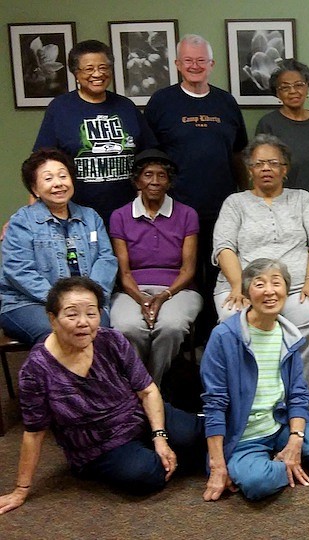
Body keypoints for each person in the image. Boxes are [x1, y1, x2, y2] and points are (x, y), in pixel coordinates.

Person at [0, 277, 205, 514]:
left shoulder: (111, 340)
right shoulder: (35, 370)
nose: (83, 323)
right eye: (71, 315)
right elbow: (34, 434)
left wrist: (159, 436)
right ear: (52, 319)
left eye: (91, 313)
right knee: (146, 475)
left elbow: (147, 390)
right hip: (98, 443)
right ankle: (184, 456)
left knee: (194, 433)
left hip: (136, 414)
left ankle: (177, 447)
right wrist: (21, 489)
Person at [201, 259, 309, 502]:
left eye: (277, 283)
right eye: (260, 284)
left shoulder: (288, 334)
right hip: (244, 436)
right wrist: (218, 466)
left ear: (286, 290)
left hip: (281, 424)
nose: (270, 291)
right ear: (247, 292)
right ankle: (269, 465)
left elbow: (296, 392)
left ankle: (291, 450)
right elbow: (215, 404)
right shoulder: (224, 337)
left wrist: (295, 439)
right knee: (258, 484)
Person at [144, 34, 248, 340]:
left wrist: (245, 197)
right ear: (177, 64)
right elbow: (149, 157)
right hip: (175, 210)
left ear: (212, 64)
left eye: (201, 60)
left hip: (223, 207)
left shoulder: (225, 102)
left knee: (220, 275)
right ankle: (188, 343)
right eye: (188, 60)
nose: (195, 66)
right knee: (184, 276)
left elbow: (238, 153)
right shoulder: (161, 102)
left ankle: (217, 339)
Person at [213, 134, 309, 384]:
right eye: (259, 164)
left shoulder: (302, 199)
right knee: (232, 320)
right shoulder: (235, 203)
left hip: (300, 287)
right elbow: (223, 247)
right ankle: (255, 389)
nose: (266, 168)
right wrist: (240, 286)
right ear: (250, 170)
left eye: (273, 163)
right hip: (246, 288)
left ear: (285, 169)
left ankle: (294, 388)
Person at [33, 39, 157, 224]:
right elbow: (41, 165)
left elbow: (150, 156)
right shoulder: (60, 109)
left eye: (104, 67)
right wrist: (31, 217)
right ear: (76, 72)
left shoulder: (126, 107)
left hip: (128, 217)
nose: (98, 74)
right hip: (75, 217)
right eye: (89, 69)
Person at [0, 149, 117, 344]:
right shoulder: (22, 222)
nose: (58, 183)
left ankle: (93, 376)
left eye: (63, 176)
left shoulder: (91, 217)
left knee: (100, 333)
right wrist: (62, 301)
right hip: (28, 302)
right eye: (48, 178)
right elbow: (18, 269)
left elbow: (106, 260)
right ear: (35, 189)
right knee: (58, 334)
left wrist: (89, 299)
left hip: (87, 302)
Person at [108, 149, 202, 386]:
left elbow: (188, 270)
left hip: (179, 289)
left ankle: (151, 389)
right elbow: (124, 272)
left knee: (171, 327)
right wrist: (141, 299)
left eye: (162, 176)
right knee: (127, 327)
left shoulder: (187, 214)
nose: (155, 181)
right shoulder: (119, 216)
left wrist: (163, 296)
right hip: (132, 289)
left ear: (169, 182)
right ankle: (140, 387)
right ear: (137, 180)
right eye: (148, 174)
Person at [255, 59, 309, 223]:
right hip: (279, 211)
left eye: (299, 85)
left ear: (307, 86)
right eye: (285, 87)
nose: (293, 91)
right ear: (277, 93)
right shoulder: (268, 124)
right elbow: (259, 172)